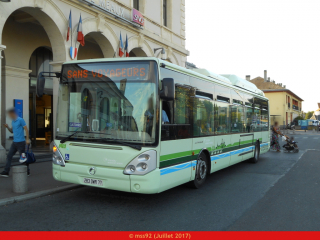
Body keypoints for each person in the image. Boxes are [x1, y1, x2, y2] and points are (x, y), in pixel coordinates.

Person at [0, 108, 31, 177]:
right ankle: (6, 171)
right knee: (9, 156)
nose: (10, 116)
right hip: (14, 143)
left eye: (10, 114)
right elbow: (12, 131)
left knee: (23, 158)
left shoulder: (20, 120)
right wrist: (7, 127)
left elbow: (26, 129)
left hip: (21, 143)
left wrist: (27, 139)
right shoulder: (13, 121)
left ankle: (27, 171)